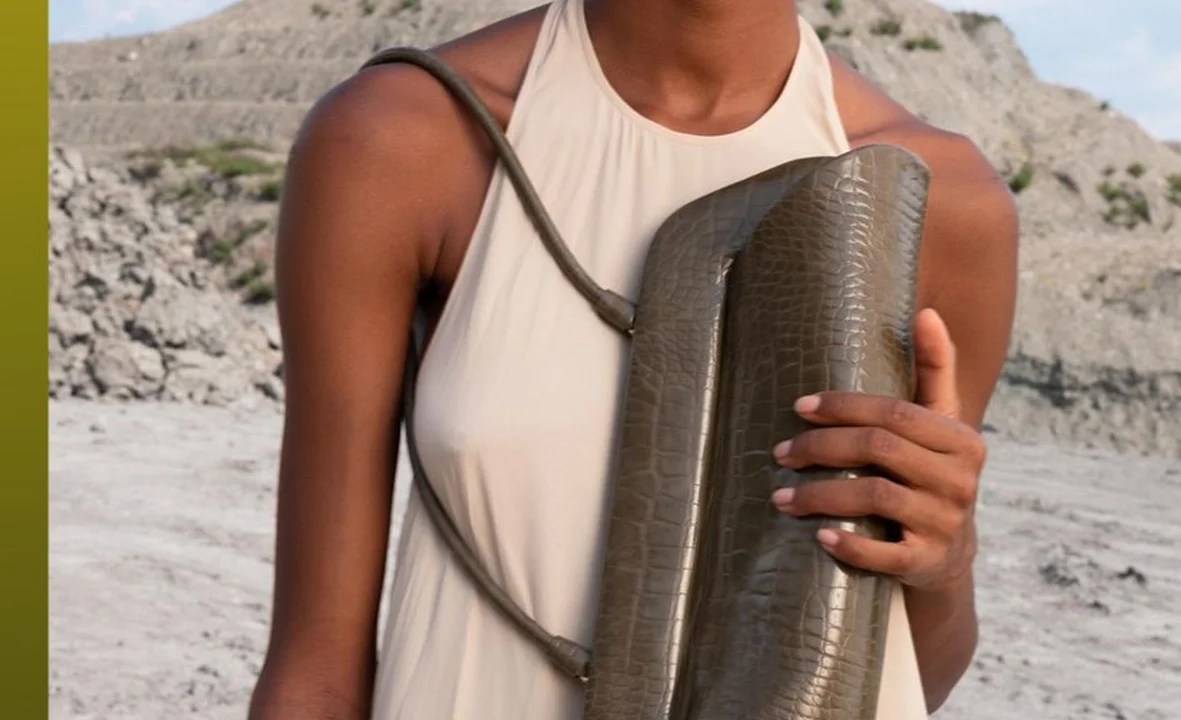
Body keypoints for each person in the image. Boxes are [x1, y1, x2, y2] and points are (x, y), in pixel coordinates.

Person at [247, 0, 1018, 718]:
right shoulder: (402, 138)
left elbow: (906, 672)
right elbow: (317, 667)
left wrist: (945, 563)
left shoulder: (937, 199)